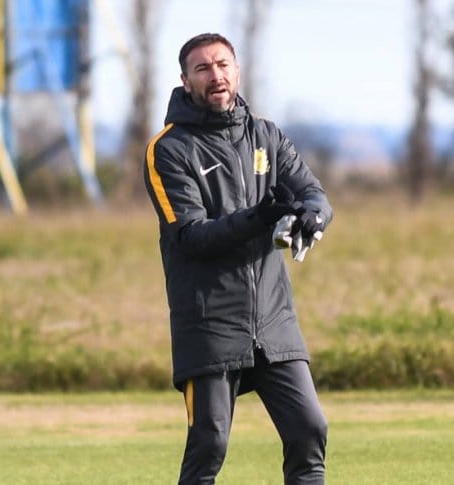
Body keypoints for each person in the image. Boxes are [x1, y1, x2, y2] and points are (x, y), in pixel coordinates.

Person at [143, 32, 333, 485]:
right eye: (203, 68)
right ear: (185, 81)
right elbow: (191, 236)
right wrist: (259, 217)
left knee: (309, 430)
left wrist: (311, 217)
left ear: (237, 71)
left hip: (273, 318)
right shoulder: (168, 149)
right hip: (209, 322)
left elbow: (313, 193)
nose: (216, 76)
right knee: (210, 443)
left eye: (223, 65)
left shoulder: (266, 135)